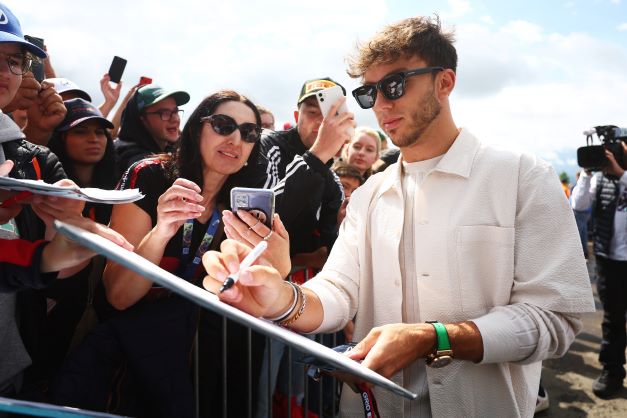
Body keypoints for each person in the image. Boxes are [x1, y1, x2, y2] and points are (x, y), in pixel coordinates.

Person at [203, 16, 595, 417]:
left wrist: (434, 338)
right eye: (369, 93)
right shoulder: (369, 195)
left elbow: (555, 318)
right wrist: (282, 298)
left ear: (445, 82)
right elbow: (338, 289)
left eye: (394, 85)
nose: (382, 105)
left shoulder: (521, 176)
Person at [51, 90, 281, 418]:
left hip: (202, 360)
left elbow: (266, 288)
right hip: (131, 355)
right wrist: (161, 231)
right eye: (223, 124)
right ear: (196, 129)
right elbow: (118, 295)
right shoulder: (151, 176)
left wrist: (276, 252)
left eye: (248, 133)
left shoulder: (241, 204)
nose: (234, 139)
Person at [0, 3, 131, 401]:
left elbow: (63, 253)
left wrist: (64, 246)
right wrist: (44, 259)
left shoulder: (26, 156)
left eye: (13, 60)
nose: (4, 72)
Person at [571, 139, 627, 398]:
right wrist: (587, 172)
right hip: (609, 261)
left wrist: (621, 174)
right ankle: (612, 372)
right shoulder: (599, 179)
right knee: (613, 320)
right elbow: (578, 205)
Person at [114, 84, 189, 173]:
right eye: (165, 113)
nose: (175, 119)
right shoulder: (139, 163)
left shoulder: (174, 151)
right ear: (141, 119)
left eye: (176, 111)